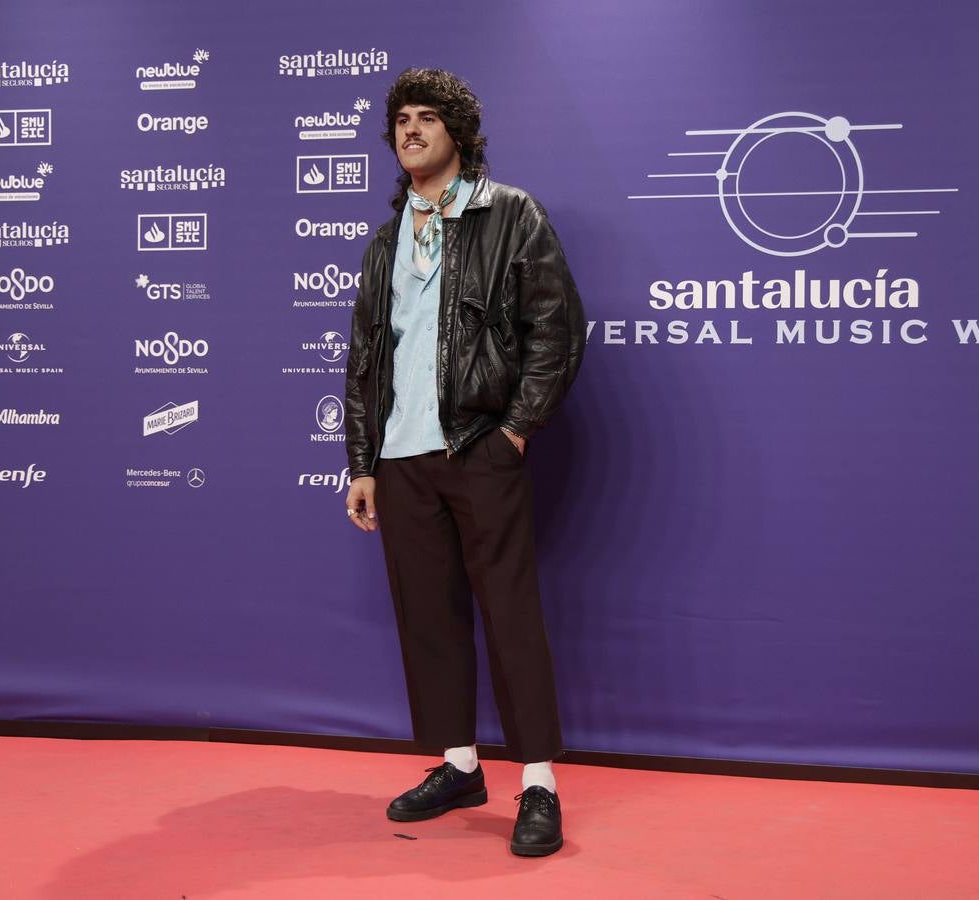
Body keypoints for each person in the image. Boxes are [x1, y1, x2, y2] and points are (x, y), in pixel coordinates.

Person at [342, 67, 586, 858]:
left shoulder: (509, 214)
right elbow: (364, 359)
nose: (410, 130)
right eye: (400, 120)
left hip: (479, 446)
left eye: (426, 118)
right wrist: (363, 460)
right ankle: (457, 766)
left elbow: (556, 330)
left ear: (457, 131)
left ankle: (539, 783)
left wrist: (515, 429)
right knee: (429, 616)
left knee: (508, 612)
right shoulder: (385, 241)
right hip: (402, 455)